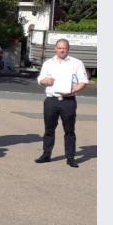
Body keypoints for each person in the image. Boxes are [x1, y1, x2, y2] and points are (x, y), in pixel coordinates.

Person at [35, 39, 89, 168]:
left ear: (68, 49)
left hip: (68, 101)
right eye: (59, 48)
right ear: (55, 49)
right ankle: (46, 155)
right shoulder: (48, 63)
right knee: (49, 129)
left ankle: (70, 158)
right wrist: (44, 81)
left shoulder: (76, 63)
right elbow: (40, 79)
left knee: (69, 130)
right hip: (51, 101)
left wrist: (72, 91)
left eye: (64, 48)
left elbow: (83, 82)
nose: (62, 50)